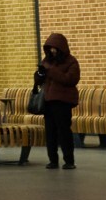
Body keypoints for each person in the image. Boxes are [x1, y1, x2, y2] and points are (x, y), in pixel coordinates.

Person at [35, 33, 81, 169]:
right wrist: (39, 74)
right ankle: (53, 160)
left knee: (64, 131)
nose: (52, 51)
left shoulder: (71, 62)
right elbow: (39, 81)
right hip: (48, 101)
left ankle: (69, 161)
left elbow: (70, 79)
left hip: (62, 102)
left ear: (61, 48)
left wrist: (51, 71)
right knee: (50, 132)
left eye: (54, 48)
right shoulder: (47, 60)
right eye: (50, 48)